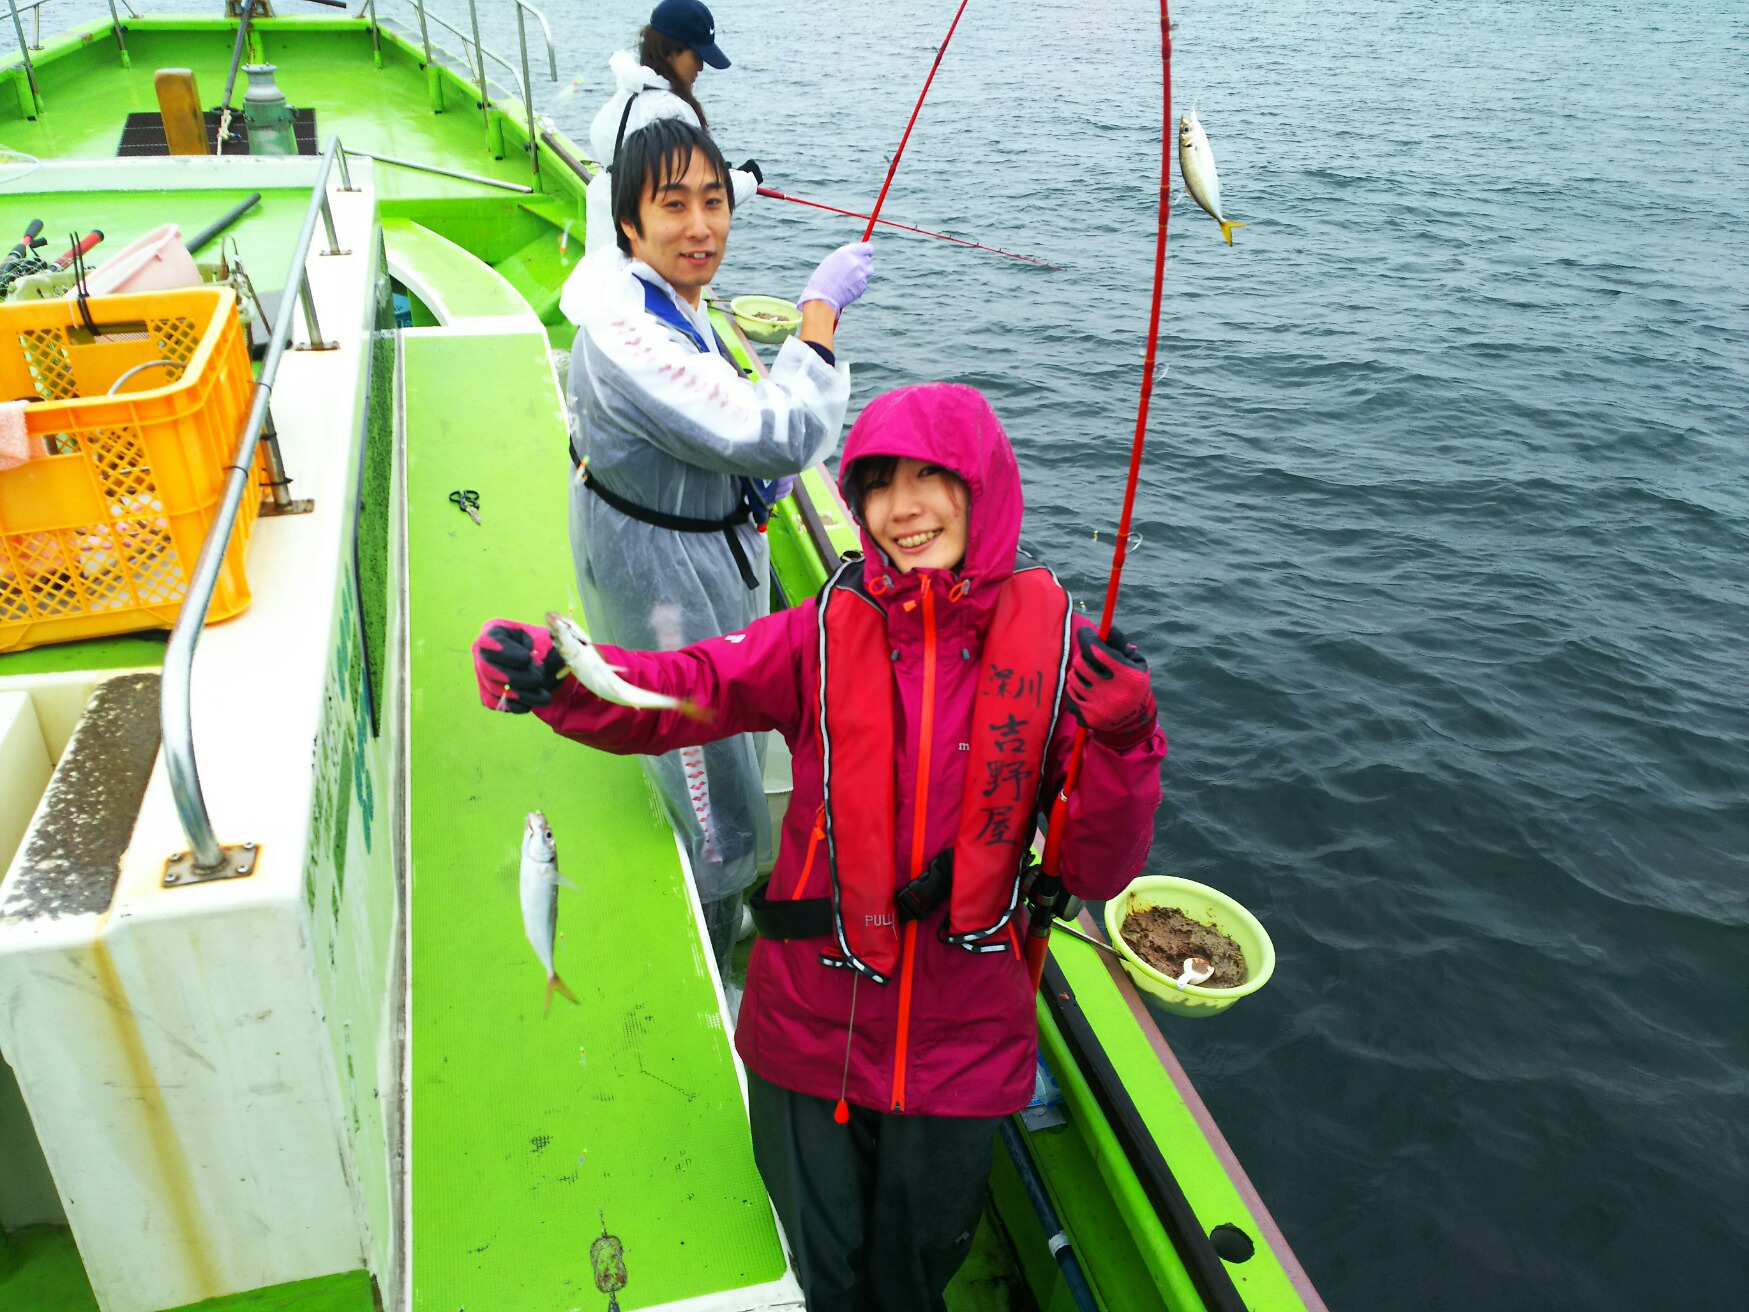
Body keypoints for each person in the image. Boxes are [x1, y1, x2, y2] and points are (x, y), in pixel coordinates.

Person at [472, 383, 1165, 1310]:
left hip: (964, 1046)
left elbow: (1095, 871)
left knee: (914, 1276)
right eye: (878, 484)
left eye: (933, 479)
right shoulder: (817, 637)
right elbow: (684, 687)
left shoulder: (1060, 657)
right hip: (811, 1028)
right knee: (825, 1271)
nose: (903, 508)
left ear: (984, 488)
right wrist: (559, 682)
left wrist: (1123, 744)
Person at [548, 114, 872, 975]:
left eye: (715, 201)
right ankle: (710, 949)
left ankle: (714, 903)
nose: (700, 226)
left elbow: (715, 436)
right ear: (629, 224)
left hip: (689, 550)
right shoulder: (629, 337)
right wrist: (818, 313)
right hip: (665, 587)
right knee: (716, 790)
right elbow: (783, 433)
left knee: (711, 735)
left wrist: (739, 489)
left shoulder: (656, 295)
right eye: (673, 205)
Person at [567, 0, 762, 271]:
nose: (701, 68)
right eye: (697, 57)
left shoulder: (626, 95)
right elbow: (699, 197)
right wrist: (748, 179)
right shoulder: (672, 112)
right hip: (647, 263)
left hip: (605, 257)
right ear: (671, 51)